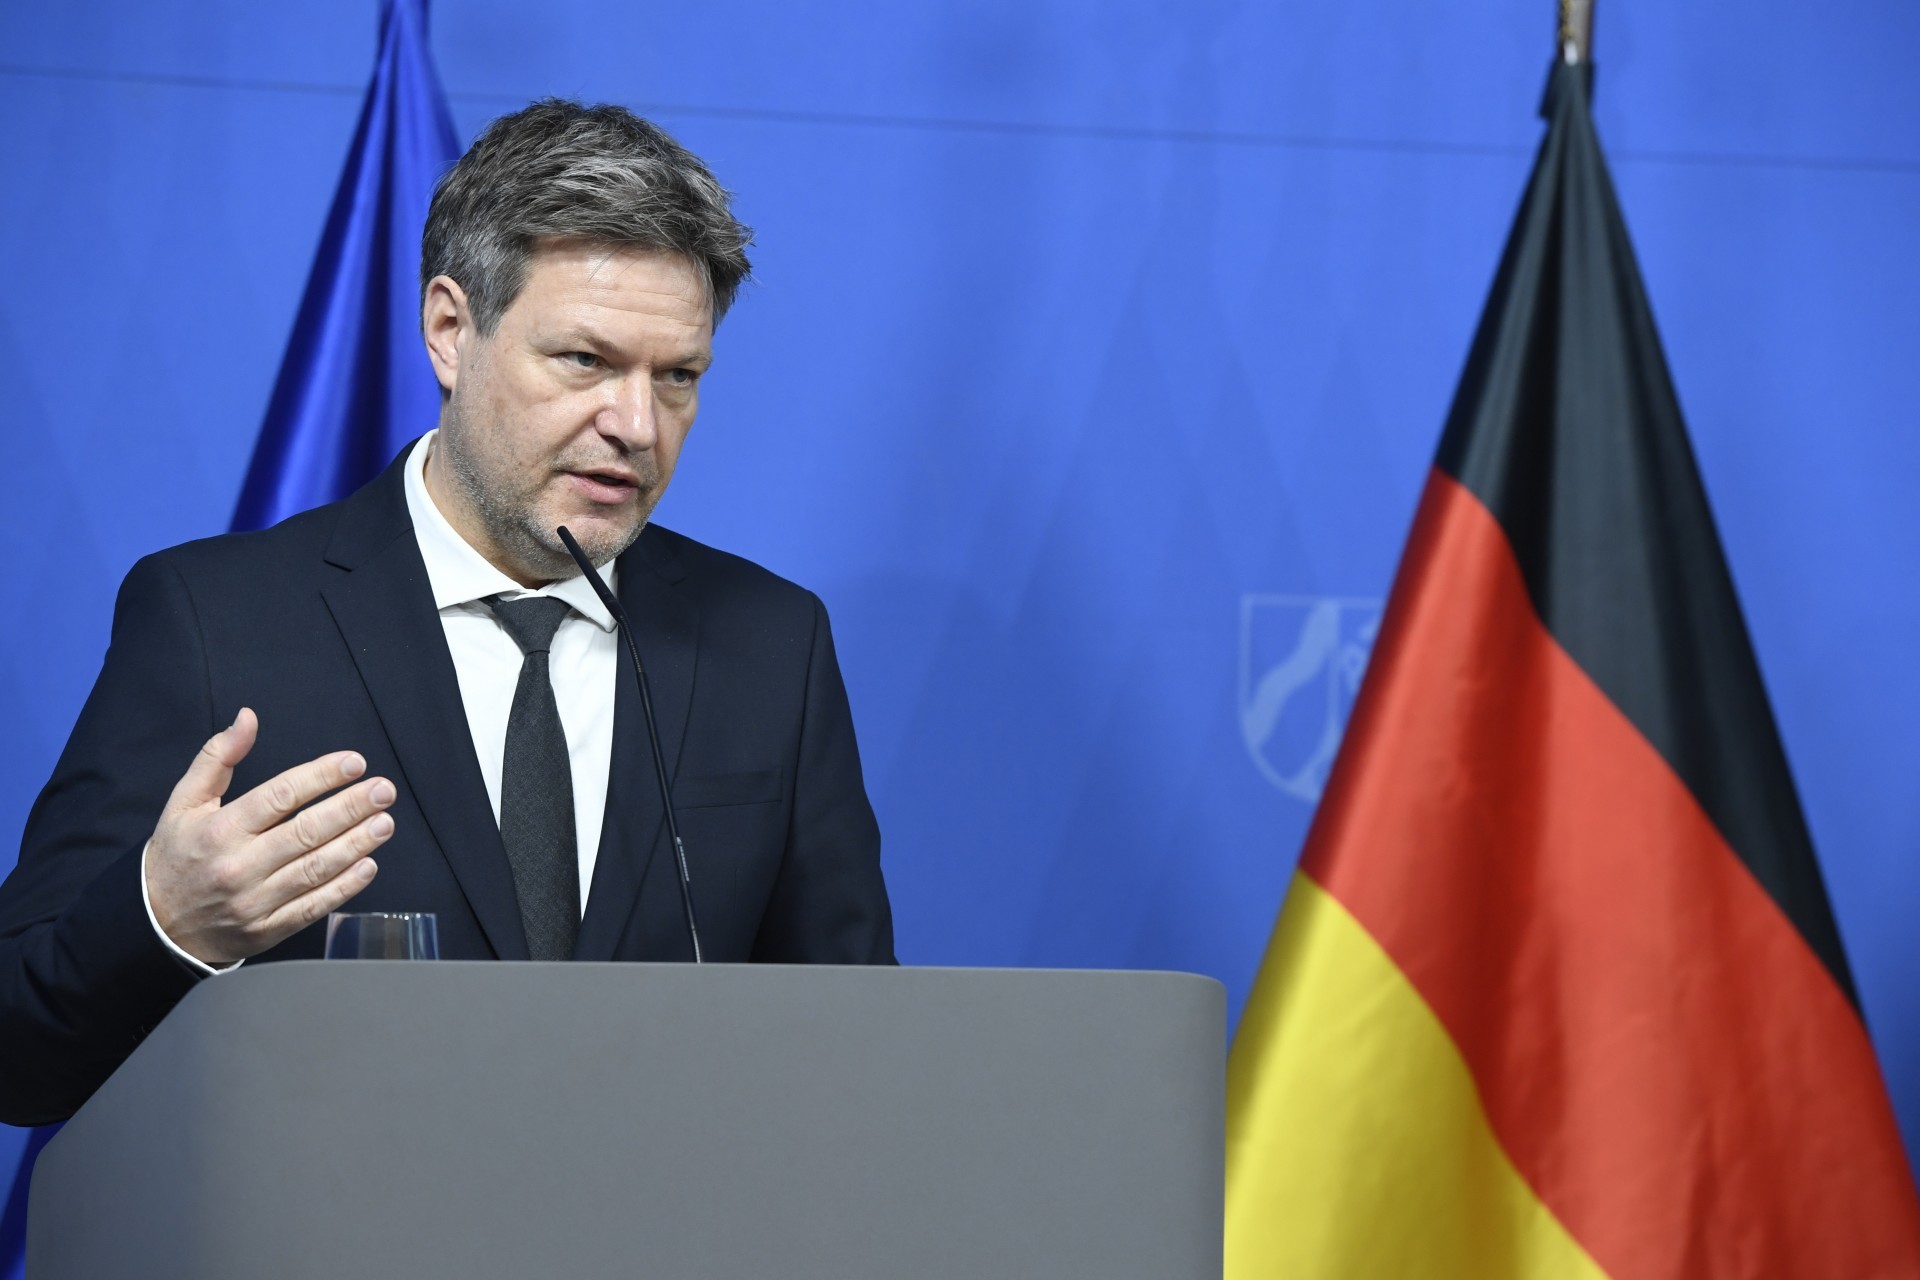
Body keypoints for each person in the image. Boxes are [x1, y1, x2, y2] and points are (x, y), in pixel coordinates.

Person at [0, 100, 895, 1126]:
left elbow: (858, 1056)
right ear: (449, 331)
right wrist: (167, 921)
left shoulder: (771, 646)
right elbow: (17, 1050)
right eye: (586, 360)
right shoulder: (217, 622)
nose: (638, 426)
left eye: (678, 376)